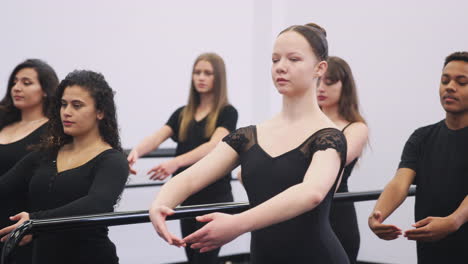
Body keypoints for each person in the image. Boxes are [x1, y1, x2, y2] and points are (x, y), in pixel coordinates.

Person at [150, 24, 350, 263]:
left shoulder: (329, 137)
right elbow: (191, 177)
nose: (281, 67)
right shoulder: (248, 136)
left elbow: (311, 193)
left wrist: (236, 223)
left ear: (320, 68)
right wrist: (161, 203)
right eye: (275, 60)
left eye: (294, 59)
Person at [0, 70, 129, 264]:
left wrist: (35, 220)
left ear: (100, 112)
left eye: (77, 105)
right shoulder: (44, 155)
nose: (66, 112)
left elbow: (96, 204)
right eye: (63, 104)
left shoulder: (113, 161)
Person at [128, 52, 237, 263]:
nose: (201, 77)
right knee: (192, 256)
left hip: (214, 199)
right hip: (186, 199)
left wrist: (175, 163)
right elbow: (157, 137)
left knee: (204, 258)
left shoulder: (227, 112)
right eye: (197, 72)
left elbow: (214, 146)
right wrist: (135, 153)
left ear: (219, 78)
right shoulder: (182, 113)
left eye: (207, 73)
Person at [368, 51, 468, 264]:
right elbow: (399, 183)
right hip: (431, 252)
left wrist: (453, 221)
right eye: (445, 80)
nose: (450, 87)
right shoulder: (422, 137)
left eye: (462, 82)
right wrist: (378, 215)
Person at [0, 59, 58, 264]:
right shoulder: (3, 121)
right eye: (15, 82)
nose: (17, 87)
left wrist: (37, 224)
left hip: (20, 225)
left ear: (44, 90)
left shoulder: (54, 131)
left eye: (26, 82)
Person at [317, 56, 368, 263]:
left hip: (336, 214)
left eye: (329, 82)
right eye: (317, 81)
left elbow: (333, 165)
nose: (321, 88)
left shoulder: (355, 128)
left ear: (344, 86)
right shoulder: (301, 123)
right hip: (298, 215)